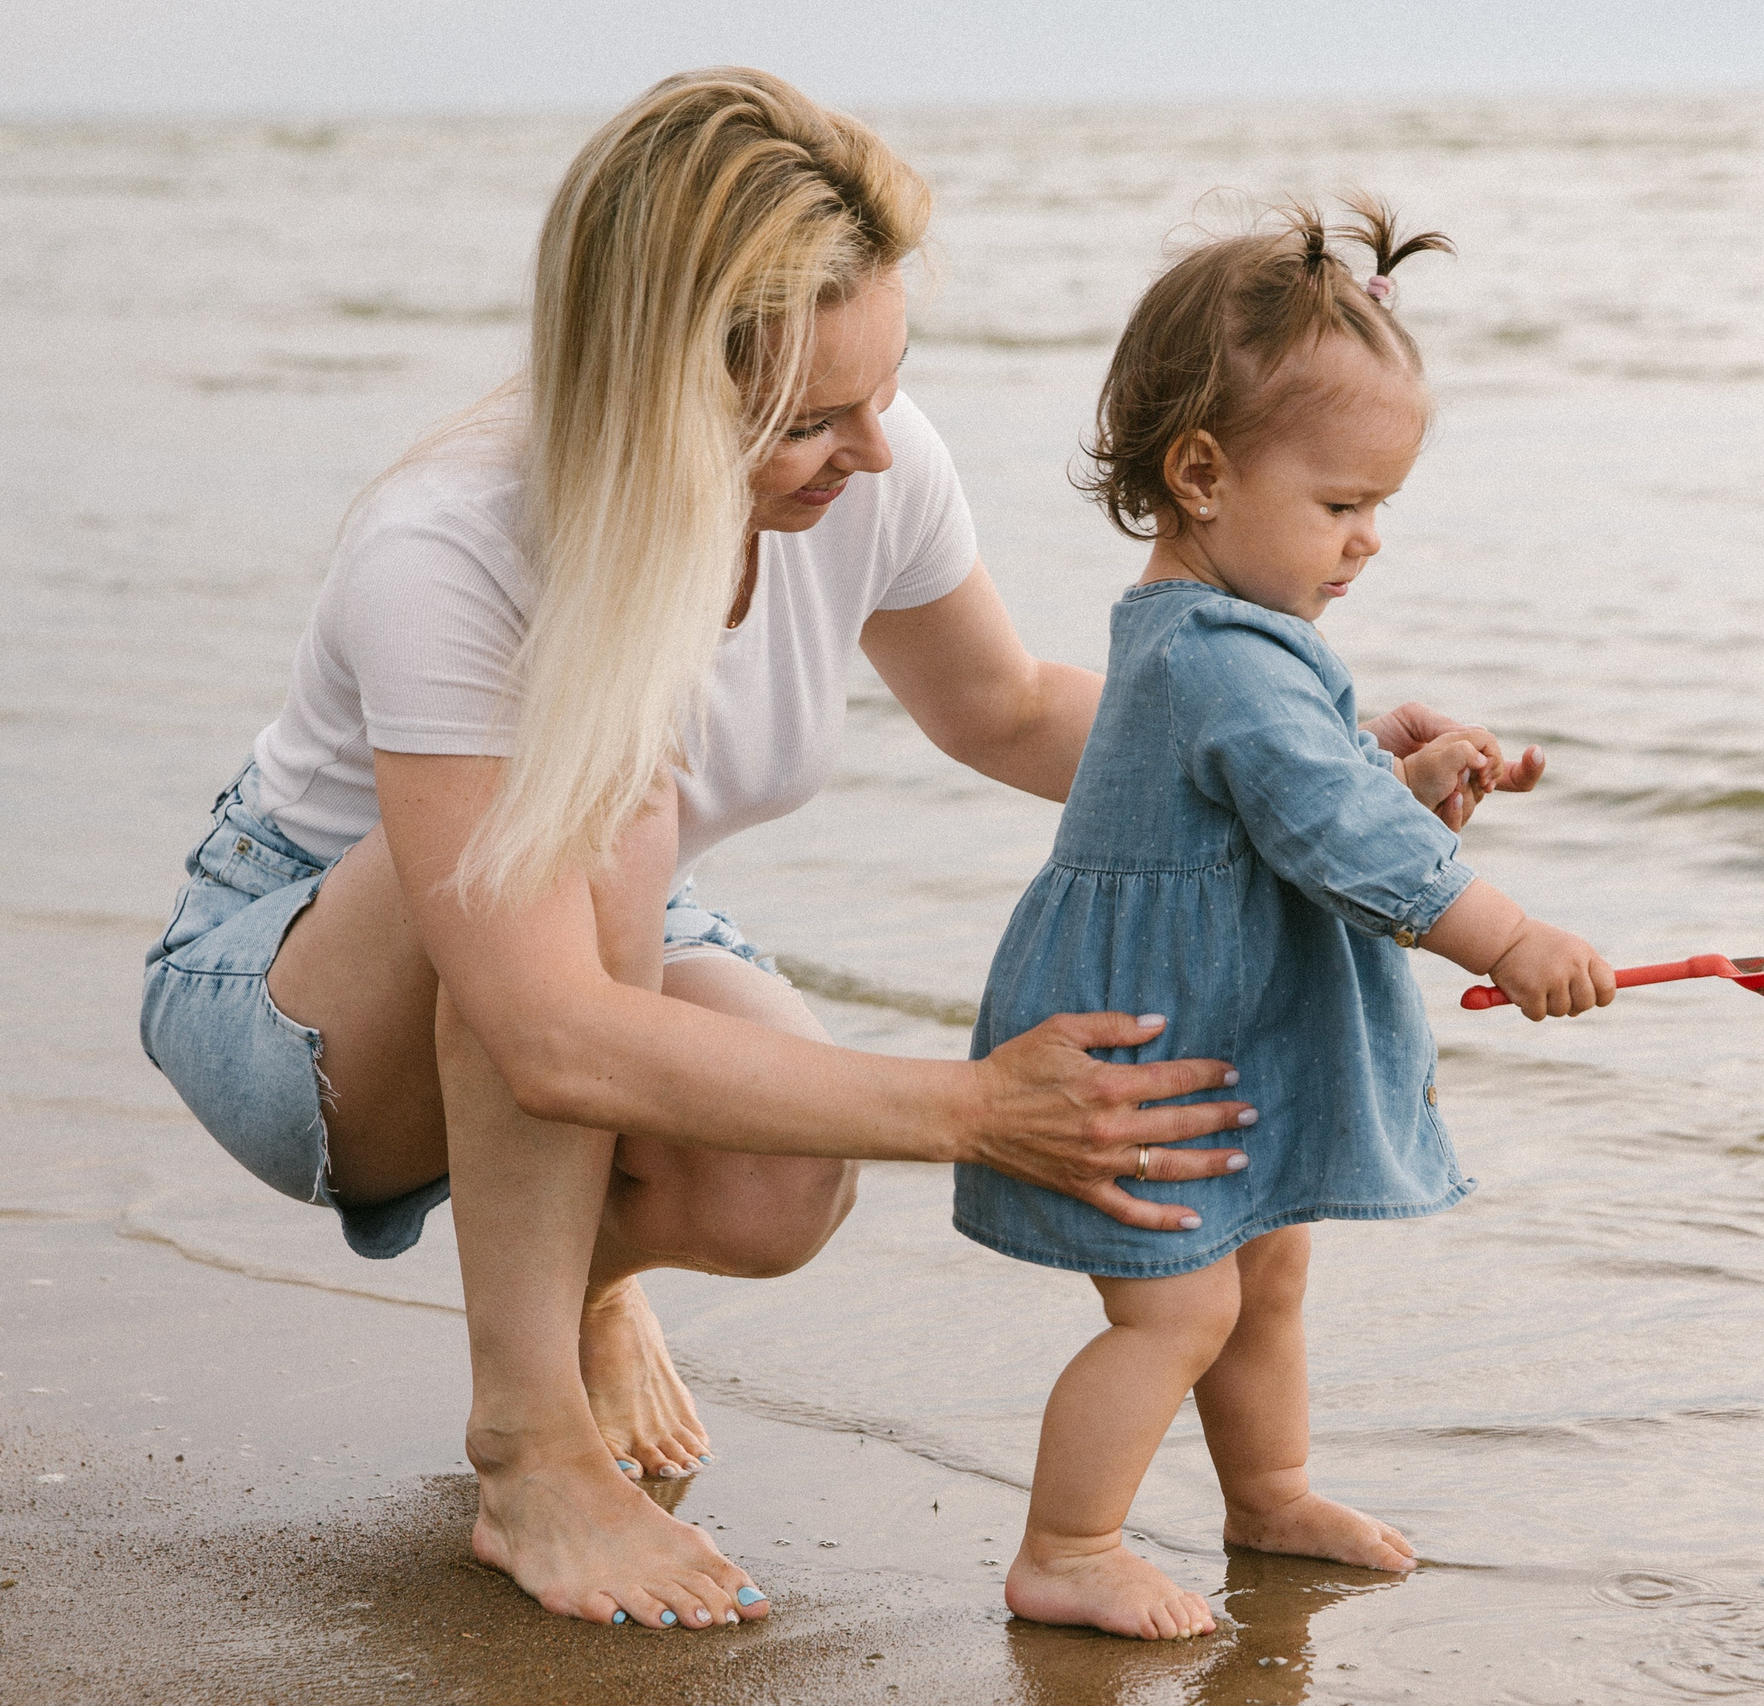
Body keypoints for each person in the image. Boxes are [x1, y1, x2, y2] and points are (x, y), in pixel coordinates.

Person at [140, 70, 1510, 1634]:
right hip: (291, 985)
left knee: (784, 1188)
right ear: (663, 390)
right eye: (811, 418)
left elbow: (1001, 709)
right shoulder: (455, 545)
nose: (875, 447)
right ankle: (527, 1447)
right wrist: (983, 1107)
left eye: (889, 385)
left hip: (604, 919)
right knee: (610, 793)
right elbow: (542, 1026)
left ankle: (575, 1277)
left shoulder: (872, 454)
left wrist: (1314, 771)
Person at [951, 199, 1609, 1641]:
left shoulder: (1223, 637)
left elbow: (1305, 801)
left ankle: (1271, 1491)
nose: (1368, 541)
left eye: (1382, 507)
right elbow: (1337, 833)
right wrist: (1506, 934)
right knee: (1177, 1312)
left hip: (1209, 1016)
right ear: (1199, 473)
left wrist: (1403, 775)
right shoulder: (1227, 657)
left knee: (1268, 1264)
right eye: (1339, 505)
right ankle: (1067, 1542)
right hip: (1153, 1042)